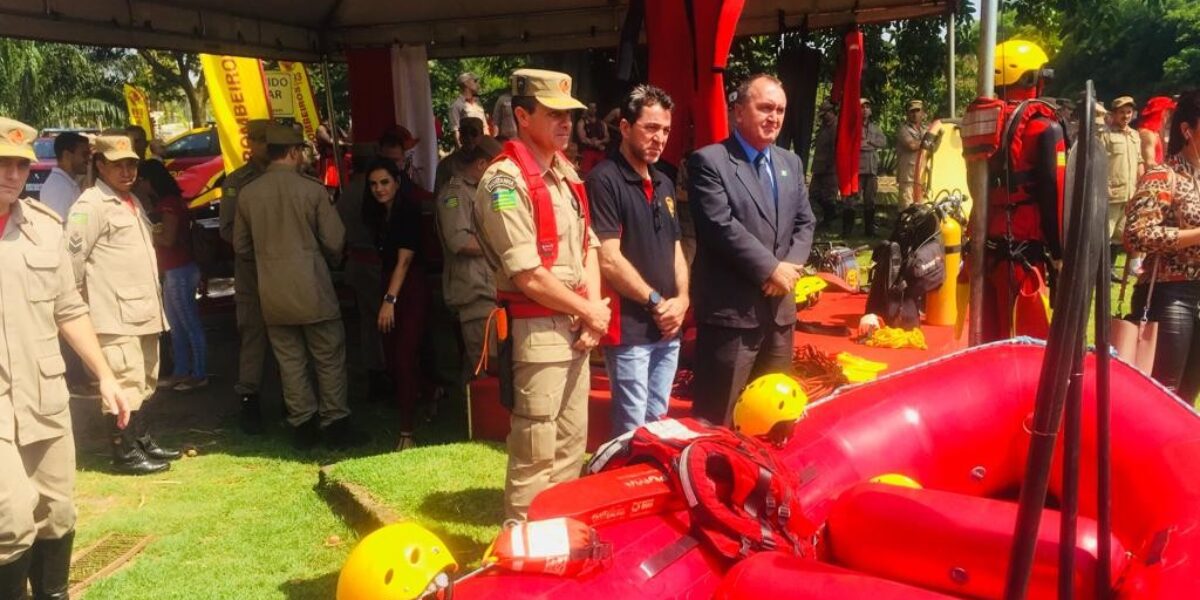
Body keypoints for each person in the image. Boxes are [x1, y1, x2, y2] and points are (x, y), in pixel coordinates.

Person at [0, 116, 131, 600]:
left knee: (57, 512)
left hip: (43, 394)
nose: (12, 174)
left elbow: (68, 307)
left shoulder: (42, 228)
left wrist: (107, 376)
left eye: (20, 165)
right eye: (2, 163)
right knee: (10, 520)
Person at [472, 68, 609, 520]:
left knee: (571, 449)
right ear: (522, 116)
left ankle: (556, 541)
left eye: (569, 115)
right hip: (537, 333)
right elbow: (528, 274)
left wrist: (590, 312)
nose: (566, 123)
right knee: (534, 456)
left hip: (572, 327)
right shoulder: (504, 183)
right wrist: (590, 310)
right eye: (554, 114)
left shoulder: (565, 173)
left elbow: (589, 243)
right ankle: (520, 558)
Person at [687, 73, 816, 426]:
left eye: (780, 110)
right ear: (738, 112)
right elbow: (720, 227)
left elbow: (806, 223)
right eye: (764, 108)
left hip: (779, 314)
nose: (773, 117)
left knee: (774, 419)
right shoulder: (709, 162)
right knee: (719, 420)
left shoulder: (791, 163)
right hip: (732, 317)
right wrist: (770, 269)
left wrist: (787, 267)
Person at [234, 124, 362, 450]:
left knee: (289, 361)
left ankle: (302, 425)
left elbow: (241, 247)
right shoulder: (312, 190)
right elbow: (335, 240)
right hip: (313, 287)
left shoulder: (248, 193)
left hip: (272, 293)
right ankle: (335, 423)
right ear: (293, 152)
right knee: (328, 356)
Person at [67, 134, 176, 475]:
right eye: (117, 165)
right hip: (114, 314)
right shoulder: (90, 206)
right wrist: (79, 305)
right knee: (123, 382)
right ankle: (125, 452)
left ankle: (141, 440)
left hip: (143, 309)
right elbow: (72, 259)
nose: (127, 171)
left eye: (131, 164)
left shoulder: (130, 200)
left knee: (144, 380)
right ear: (100, 166)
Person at [587, 84, 688, 437]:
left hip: (668, 326)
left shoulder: (663, 181)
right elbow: (609, 259)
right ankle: (626, 487)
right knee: (632, 429)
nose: (659, 138)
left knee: (658, 422)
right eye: (650, 128)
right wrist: (658, 303)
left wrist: (683, 300)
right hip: (629, 329)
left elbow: (675, 247)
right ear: (626, 128)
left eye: (665, 130)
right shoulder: (604, 180)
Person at [978, 40, 1067, 343]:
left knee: (991, 339)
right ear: (1031, 78)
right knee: (1028, 345)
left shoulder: (983, 124)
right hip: (1024, 257)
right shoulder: (1044, 129)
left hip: (987, 252)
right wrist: (1058, 253)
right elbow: (1053, 195)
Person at [1123, 90, 1200, 404]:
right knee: (1160, 398)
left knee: (1187, 398)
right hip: (1171, 295)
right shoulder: (1163, 175)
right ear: (1187, 130)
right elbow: (1137, 235)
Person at [364, 158, 431, 451]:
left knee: (403, 355)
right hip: (390, 286)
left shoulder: (407, 210)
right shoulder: (379, 214)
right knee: (394, 355)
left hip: (409, 288)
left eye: (385, 182)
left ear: (397, 182)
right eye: (374, 184)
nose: (379, 189)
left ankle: (407, 431)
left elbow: (405, 261)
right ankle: (430, 391)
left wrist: (389, 300)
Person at [435, 137, 502, 393]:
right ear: (482, 163)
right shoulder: (454, 194)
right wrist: (499, 247)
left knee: (486, 358)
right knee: (483, 363)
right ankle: (480, 417)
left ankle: (474, 411)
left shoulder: (486, 189)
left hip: (490, 288)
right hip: (474, 291)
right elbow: (458, 240)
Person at [219, 118, 273, 434]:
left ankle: (293, 399)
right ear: (250, 143)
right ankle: (250, 400)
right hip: (252, 271)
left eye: (269, 139)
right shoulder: (236, 182)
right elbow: (227, 230)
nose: (265, 145)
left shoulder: (292, 175)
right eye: (260, 139)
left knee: (292, 336)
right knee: (253, 334)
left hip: (284, 271)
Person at [141, 163, 208, 392]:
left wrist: (144, 233)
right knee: (177, 326)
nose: (140, 184)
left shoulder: (168, 204)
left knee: (188, 325)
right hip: (178, 269)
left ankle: (199, 373)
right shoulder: (171, 202)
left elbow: (168, 239)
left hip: (179, 269)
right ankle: (182, 371)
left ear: (150, 181)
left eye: (142, 179)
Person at [339, 144, 391, 400]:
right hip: (376, 262)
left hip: (357, 261)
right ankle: (386, 372)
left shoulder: (346, 192)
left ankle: (374, 372)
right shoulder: (375, 191)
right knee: (386, 320)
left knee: (369, 322)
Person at [1103, 96, 1145, 279]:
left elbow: (1139, 162)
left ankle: (1115, 270)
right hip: (1112, 193)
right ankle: (1099, 272)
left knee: (1124, 235)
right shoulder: (1105, 135)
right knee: (1104, 235)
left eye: (1129, 112)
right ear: (1113, 114)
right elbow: (1099, 163)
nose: (1126, 116)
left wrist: (1142, 186)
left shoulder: (1135, 135)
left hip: (1130, 193)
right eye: (1122, 112)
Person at [848, 98, 886, 236]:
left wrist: (869, 141)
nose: (865, 110)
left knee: (870, 201)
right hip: (857, 170)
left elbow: (883, 142)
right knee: (852, 200)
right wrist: (867, 145)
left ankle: (869, 231)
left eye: (867, 107)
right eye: (862, 107)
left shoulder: (875, 127)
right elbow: (855, 144)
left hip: (871, 169)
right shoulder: (852, 127)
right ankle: (847, 231)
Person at [39, 131, 90, 220]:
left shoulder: (66, 183)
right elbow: (60, 225)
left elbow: (71, 218)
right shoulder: (59, 188)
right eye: (84, 154)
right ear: (67, 155)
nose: (88, 159)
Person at [809, 100, 839, 229]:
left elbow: (835, 149)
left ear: (831, 112)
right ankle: (829, 216)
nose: (823, 117)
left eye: (825, 114)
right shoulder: (824, 126)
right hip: (819, 167)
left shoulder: (836, 128)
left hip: (830, 168)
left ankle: (829, 220)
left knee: (828, 196)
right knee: (814, 193)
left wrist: (830, 165)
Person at [435, 117, 484, 193]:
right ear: (460, 137)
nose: (469, 137)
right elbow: (439, 195)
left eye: (473, 133)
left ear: (482, 135)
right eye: (464, 133)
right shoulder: (447, 165)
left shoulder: (489, 162)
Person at [895, 100, 927, 208]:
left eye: (917, 110)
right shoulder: (903, 129)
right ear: (907, 114)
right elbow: (912, 146)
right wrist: (927, 142)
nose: (915, 114)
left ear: (922, 113)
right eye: (912, 111)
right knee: (906, 208)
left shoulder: (925, 130)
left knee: (922, 209)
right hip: (907, 177)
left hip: (922, 175)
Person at [449, 73, 489, 147]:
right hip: (468, 148)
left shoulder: (478, 104)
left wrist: (488, 147)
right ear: (466, 83)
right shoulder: (456, 105)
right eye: (475, 81)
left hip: (482, 148)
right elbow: (456, 131)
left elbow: (485, 127)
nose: (477, 84)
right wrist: (463, 152)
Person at [1139, 96, 1177, 167]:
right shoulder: (1147, 134)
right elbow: (1149, 163)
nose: (1169, 116)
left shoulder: (1155, 133)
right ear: (1160, 113)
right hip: (1150, 177)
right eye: (1168, 112)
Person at [576, 102, 610, 175]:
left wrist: (599, 142)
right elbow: (582, 138)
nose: (592, 109)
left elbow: (607, 137)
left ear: (596, 109)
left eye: (594, 108)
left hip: (600, 153)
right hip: (588, 152)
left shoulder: (601, 123)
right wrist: (593, 143)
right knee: (585, 174)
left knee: (601, 174)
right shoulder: (582, 122)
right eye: (590, 107)